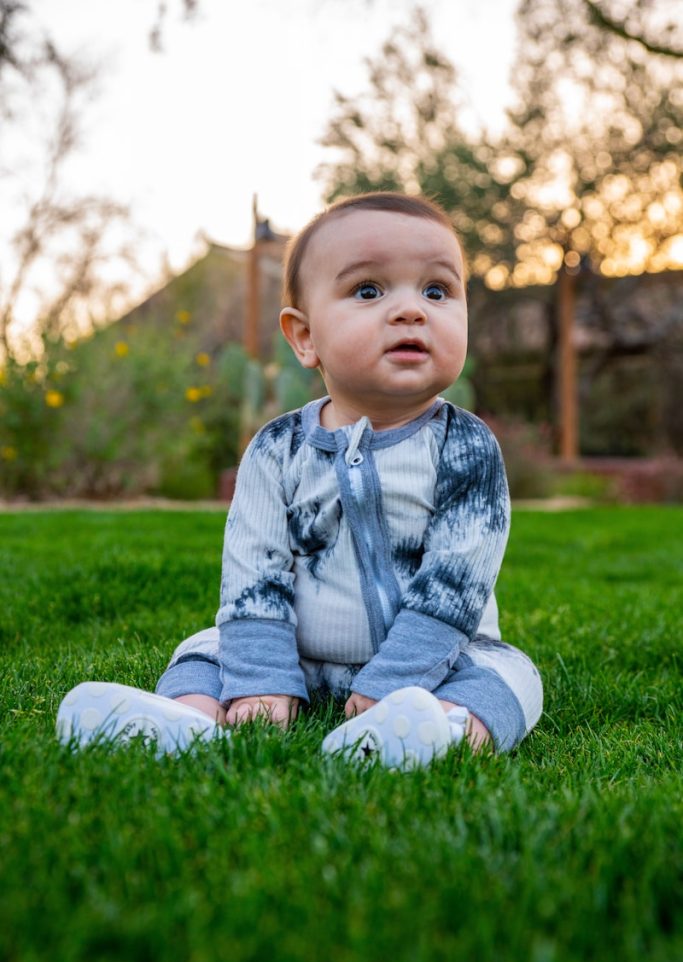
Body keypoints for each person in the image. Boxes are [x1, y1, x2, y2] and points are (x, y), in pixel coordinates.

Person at [57, 192, 543, 768]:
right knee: (205, 650)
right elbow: (252, 568)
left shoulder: (467, 446)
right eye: (369, 290)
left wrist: (397, 676)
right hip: (297, 655)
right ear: (304, 337)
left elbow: (456, 580)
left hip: (441, 660)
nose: (413, 310)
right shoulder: (275, 449)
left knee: (510, 676)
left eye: (437, 291)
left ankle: (438, 732)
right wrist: (261, 676)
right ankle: (187, 721)